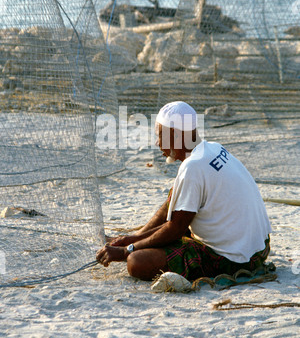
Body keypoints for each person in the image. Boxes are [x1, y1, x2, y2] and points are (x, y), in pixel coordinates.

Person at [96, 101, 272, 281]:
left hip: (235, 259)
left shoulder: (192, 167)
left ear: (175, 135)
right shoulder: (213, 148)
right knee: (175, 197)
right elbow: (172, 212)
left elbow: (176, 229)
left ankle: (133, 245)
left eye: (160, 136)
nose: (157, 143)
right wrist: (133, 239)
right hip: (260, 248)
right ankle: (134, 240)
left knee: (136, 261)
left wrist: (127, 251)